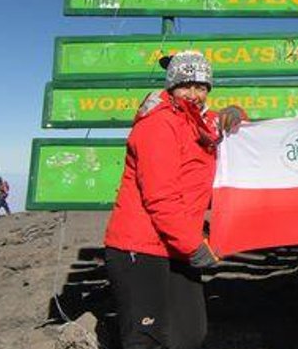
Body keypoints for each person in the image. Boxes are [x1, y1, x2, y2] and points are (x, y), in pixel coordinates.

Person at [103, 50, 246, 349]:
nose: (194, 94)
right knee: (148, 338)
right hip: (140, 248)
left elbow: (229, 131)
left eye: (201, 86)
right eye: (186, 85)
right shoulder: (158, 125)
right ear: (171, 87)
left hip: (176, 245)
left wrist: (237, 114)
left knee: (190, 334)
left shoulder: (201, 123)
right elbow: (162, 197)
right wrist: (193, 245)